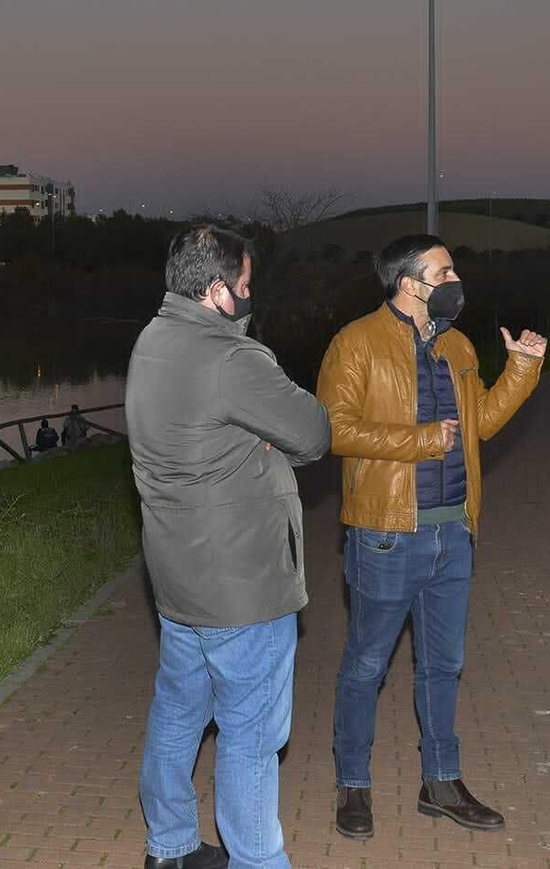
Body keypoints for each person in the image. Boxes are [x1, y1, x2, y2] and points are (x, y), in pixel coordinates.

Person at [316, 234, 547, 840]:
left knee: (443, 666)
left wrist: (522, 368)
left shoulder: (460, 345)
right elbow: (332, 429)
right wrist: (419, 440)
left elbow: (482, 424)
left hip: (454, 533)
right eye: (444, 272)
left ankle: (441, 782)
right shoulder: (356, 342)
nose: (455, 280)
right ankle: (353, 784)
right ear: (409, 283)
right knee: (366, 666)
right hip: (387, 534)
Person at [127, 224, 331, 869]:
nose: (250, 297)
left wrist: (247, 435)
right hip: (243, 586)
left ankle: (171, 845)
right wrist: (259, 430)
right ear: (217, 291)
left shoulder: (152, 340)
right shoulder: (231, 359)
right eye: (244, 287)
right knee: (250, 739)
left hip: (178, 578)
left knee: (179, 710)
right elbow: (315, 431)